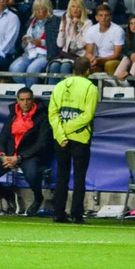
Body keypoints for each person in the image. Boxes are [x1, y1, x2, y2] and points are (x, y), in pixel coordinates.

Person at [48, 56, 97, 224]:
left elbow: (52, 113)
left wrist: (61, 134)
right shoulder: (90, 87)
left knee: (61, 177)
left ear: (73, 70)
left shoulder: (59, 86)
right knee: (79, 178)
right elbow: (87, 116)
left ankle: (58, 214)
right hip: (81, 139)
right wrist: (69, 130)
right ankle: (77, 214)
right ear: (88, 70)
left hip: (61, 139)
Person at [0, 87, 52, 216]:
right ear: (18, 100)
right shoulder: (12, 115)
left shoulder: (42, 117)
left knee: (32, 174)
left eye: (28, 99)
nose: (25, 103)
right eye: (22, 100)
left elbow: (41, 143)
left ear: (32, 100)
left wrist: (20, 158)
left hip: (29, 155)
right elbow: (2, 139)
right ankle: (7, 194)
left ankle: (38, 197)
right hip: (9, 155)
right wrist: (3, 156)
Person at [9, 0, 60, 87]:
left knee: (31, 70)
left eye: (41, 9)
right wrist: (24, 43)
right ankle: (28, 89)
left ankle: (30, 93)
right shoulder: (30, 22)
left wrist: (41, 43)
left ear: (47, 9)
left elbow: (57, 44)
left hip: (45, 54)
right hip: (29, 53)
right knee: (14, 69)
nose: (38, 12)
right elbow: (21, 44)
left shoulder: (55, 22)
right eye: (36, 9)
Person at [48, 0, 93, 84]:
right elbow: (60, 44)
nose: (75, 9)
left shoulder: (88, 23)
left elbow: (80, 45)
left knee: (65, 67)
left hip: (78, 56)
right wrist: (63, 28)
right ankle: (52, 93)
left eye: (78, 7)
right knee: (54, 66)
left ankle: (65, 91)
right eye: (73, 6)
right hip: (65, 55)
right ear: (69, 8)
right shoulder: (65, 20)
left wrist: (75, 29)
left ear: (82, 9)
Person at [84, 4, 125, 75]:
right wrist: (92, 59)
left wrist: (100, 60)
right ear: (96, 17)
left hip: (114, 59)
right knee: (82, 64)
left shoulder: (118, 30)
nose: (104, 18)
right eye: (101, 15)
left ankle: (113, 85)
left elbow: (117, 54)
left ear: (111, 17)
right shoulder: (91, 30)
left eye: (106, 15)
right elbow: (88, 52)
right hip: (98, 59)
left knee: (109, 65)